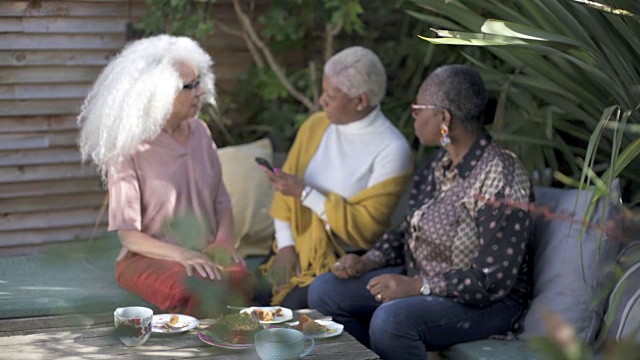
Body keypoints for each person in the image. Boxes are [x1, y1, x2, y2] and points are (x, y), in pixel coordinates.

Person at [308, 64, 534, 360]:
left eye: (418, 109)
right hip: (424, 280)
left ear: (444, 118)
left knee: (392, 321)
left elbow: (493, 279)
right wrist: (366, 261)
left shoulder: (502, 174)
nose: (413, 116)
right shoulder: (437, 166)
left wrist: (418, 286)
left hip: (486, 304)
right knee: (325, 290)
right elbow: (406, 230)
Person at [77, 35, 249, 318]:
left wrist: (223, 242)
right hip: (147, 257)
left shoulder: (202, 133)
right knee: (197, 287)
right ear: (159, 92)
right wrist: (183, 255)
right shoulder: (128, 147)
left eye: (199, 82)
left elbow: (222, 203)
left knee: (238, 277)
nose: (201, 92)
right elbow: (130, 237)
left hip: (205, 252)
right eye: (189, 87)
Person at [255, 46, 413, 309]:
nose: (321, 101)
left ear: (360, 101)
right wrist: (285, 247)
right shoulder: (317, 124)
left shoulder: (392, 149)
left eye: (330, 95)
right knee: (243, 299)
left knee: (286, 314)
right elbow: (285, 193)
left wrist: (306, 194)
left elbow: (366, 229)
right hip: (295, 245)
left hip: (342, 261)